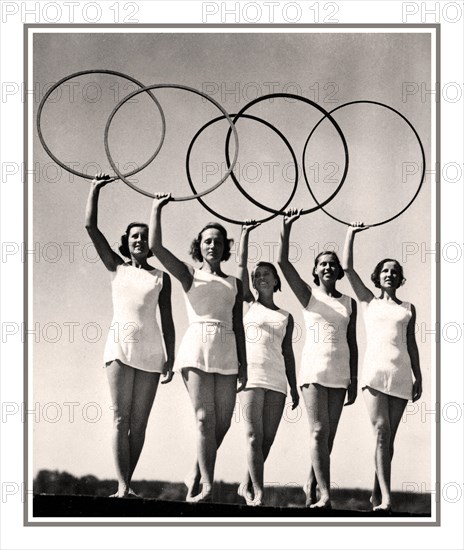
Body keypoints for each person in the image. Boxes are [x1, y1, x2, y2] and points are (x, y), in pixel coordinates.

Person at [149, 193, 247, 503]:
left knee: (223, 423)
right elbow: (156, 248)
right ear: (199, 246)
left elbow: (239, 325)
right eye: (207, 241)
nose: (212, 246)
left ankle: (195, 472)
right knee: (205, 418)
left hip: (227, 350)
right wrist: (156, 208)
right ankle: (207, 486)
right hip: (197, 348)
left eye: (218, 241)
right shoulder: (189, 274)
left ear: (224, 247)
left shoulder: (235, 283)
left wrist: (243, 364)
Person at [85, 173, 175, 498]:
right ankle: (122, 486)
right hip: (119, 348)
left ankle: (128, 484)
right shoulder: (116, 268)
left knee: (140, 425)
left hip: (152, 352)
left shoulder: (161, 277)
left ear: (151, 244)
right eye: (134, 236)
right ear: (128, 241)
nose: (139, 240)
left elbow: (168, 319)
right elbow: (91, 228)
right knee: (121, 419)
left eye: (145, 236)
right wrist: (95, 189)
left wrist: (171, 357)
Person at [278, 209, 358, 509]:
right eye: (322, 264)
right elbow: (283, 264)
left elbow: (353, 342)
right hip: (313, 370)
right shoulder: (309, 296)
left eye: (332, 264)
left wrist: (354, 378)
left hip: (340, 372)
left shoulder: (349, 302)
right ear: (316, 270)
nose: (327, 267)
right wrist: (286, 229)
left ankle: (311, 482)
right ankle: (325, 494)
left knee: (329, 437)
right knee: (318, 431)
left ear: (339, 271)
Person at [342, 222, 422, 512]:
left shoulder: (408, 308)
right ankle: (387, 499)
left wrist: (419, 375)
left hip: (401, 375)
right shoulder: (367, 301)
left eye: (395, 271)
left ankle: (377, 495)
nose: (390, 274)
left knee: (390, 440)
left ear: (400, 279)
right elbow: (348, 268)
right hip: (374, 374)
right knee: (381, 432)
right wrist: (351, 234)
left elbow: (410, 343)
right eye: (385, 270)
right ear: (378, 276)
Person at [236, 220, 299, 506]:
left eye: (266, 274)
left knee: (266, 441)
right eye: (256, 274)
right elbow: (240, 266)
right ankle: (258, 493)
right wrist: (245, 234)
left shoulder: (287, 316)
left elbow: (288, 353)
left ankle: (246, 484)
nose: (261, 277)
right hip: (251, 377)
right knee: (252, 437)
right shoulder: (249, 304)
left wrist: (295, 387)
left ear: (276, 280)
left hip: (277, 381)